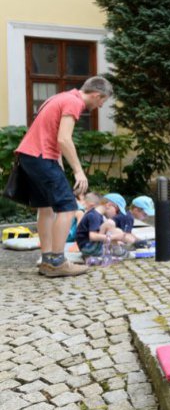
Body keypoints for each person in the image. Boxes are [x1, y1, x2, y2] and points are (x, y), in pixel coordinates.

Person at [16, 76, 112, 277]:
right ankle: (58, 262)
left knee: (46, 208)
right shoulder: (74, 102)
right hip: (41, 156)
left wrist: (58, 163)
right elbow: (64, 139)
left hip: (29, 156)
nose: (101, 106)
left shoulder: (59, 97)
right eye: (102, 101)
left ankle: (47, 260)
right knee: (68, 206)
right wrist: (78, 171)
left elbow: (51, 134)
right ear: (97, 95)